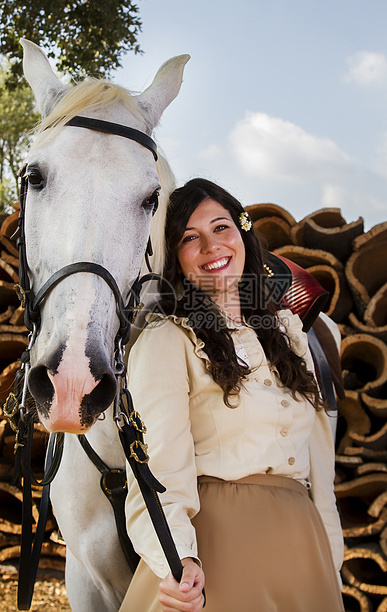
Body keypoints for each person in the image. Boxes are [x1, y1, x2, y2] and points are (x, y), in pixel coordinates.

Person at [119, 178, 344, 612]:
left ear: (242, 234)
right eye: (190, 237)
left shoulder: (290, 336)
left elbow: (321, 472)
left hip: (305, 550)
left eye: (221, 227)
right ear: (175, 260)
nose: (211, 246)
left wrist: (329, 558)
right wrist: (177, 558)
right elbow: (156, 469)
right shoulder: (168, 339)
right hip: (217, 554)